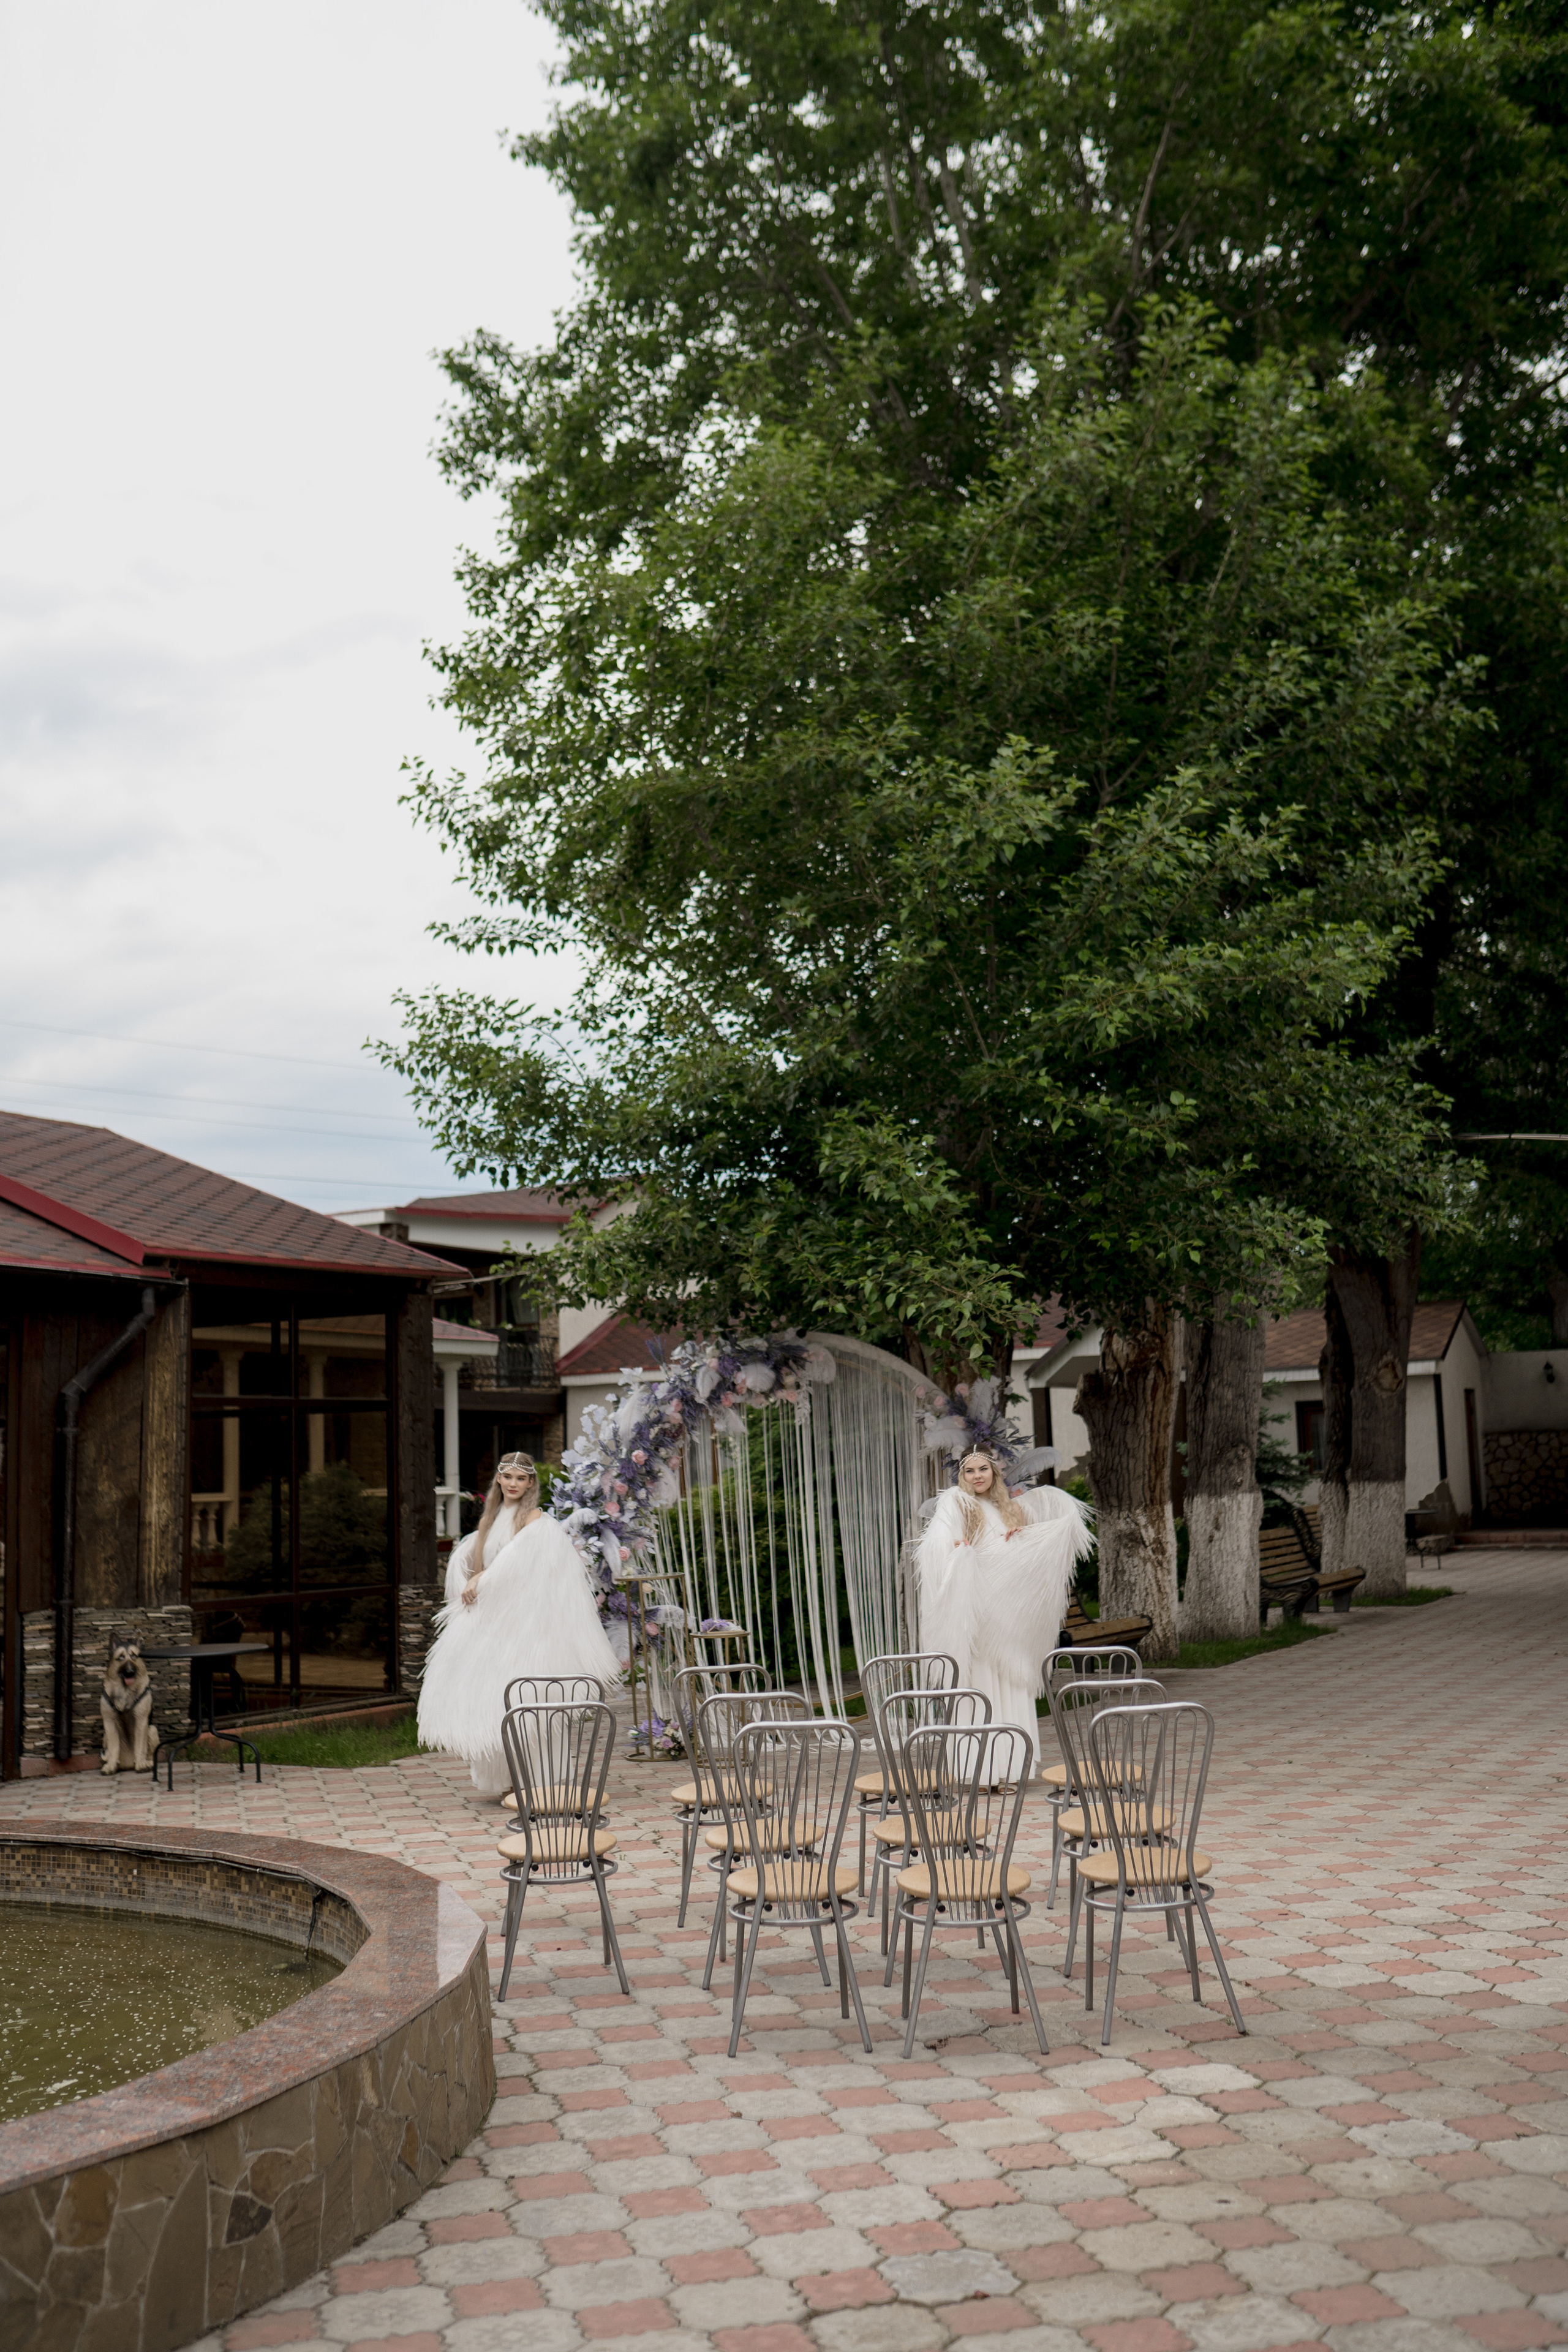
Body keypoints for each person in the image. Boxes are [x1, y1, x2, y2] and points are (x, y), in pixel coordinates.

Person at [417, 1451, 620, 1796]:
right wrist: (472, 1571)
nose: (513, 1484)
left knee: (526, 1699)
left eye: (521, 1479)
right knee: (492, 1699)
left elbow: (519, 1565)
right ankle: (505, 1779)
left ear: (530, 1484)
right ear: (499, 1479)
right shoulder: (491, 1518)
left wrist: (482, 1579)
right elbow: (480, 1559)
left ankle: (535, 1782)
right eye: (508, 1477)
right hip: (493, 1623)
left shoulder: (535, 1521)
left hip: (524, 1625)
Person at [914, 1449, 1094, 1767]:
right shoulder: (956, 1502)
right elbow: (938, 1543)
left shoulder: (1010, 1508)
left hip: (1009, 1613)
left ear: (994, 1473)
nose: (977, 1476)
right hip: (976, 1612)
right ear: (962, 1476)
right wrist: (959, 1549)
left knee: (1009, 1683)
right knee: (979, 1682)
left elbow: (1024, 1557)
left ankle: (1010, 1767)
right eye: (970, 1471)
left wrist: (1020, 1539)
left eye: (984, 1469)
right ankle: (978, 1770)